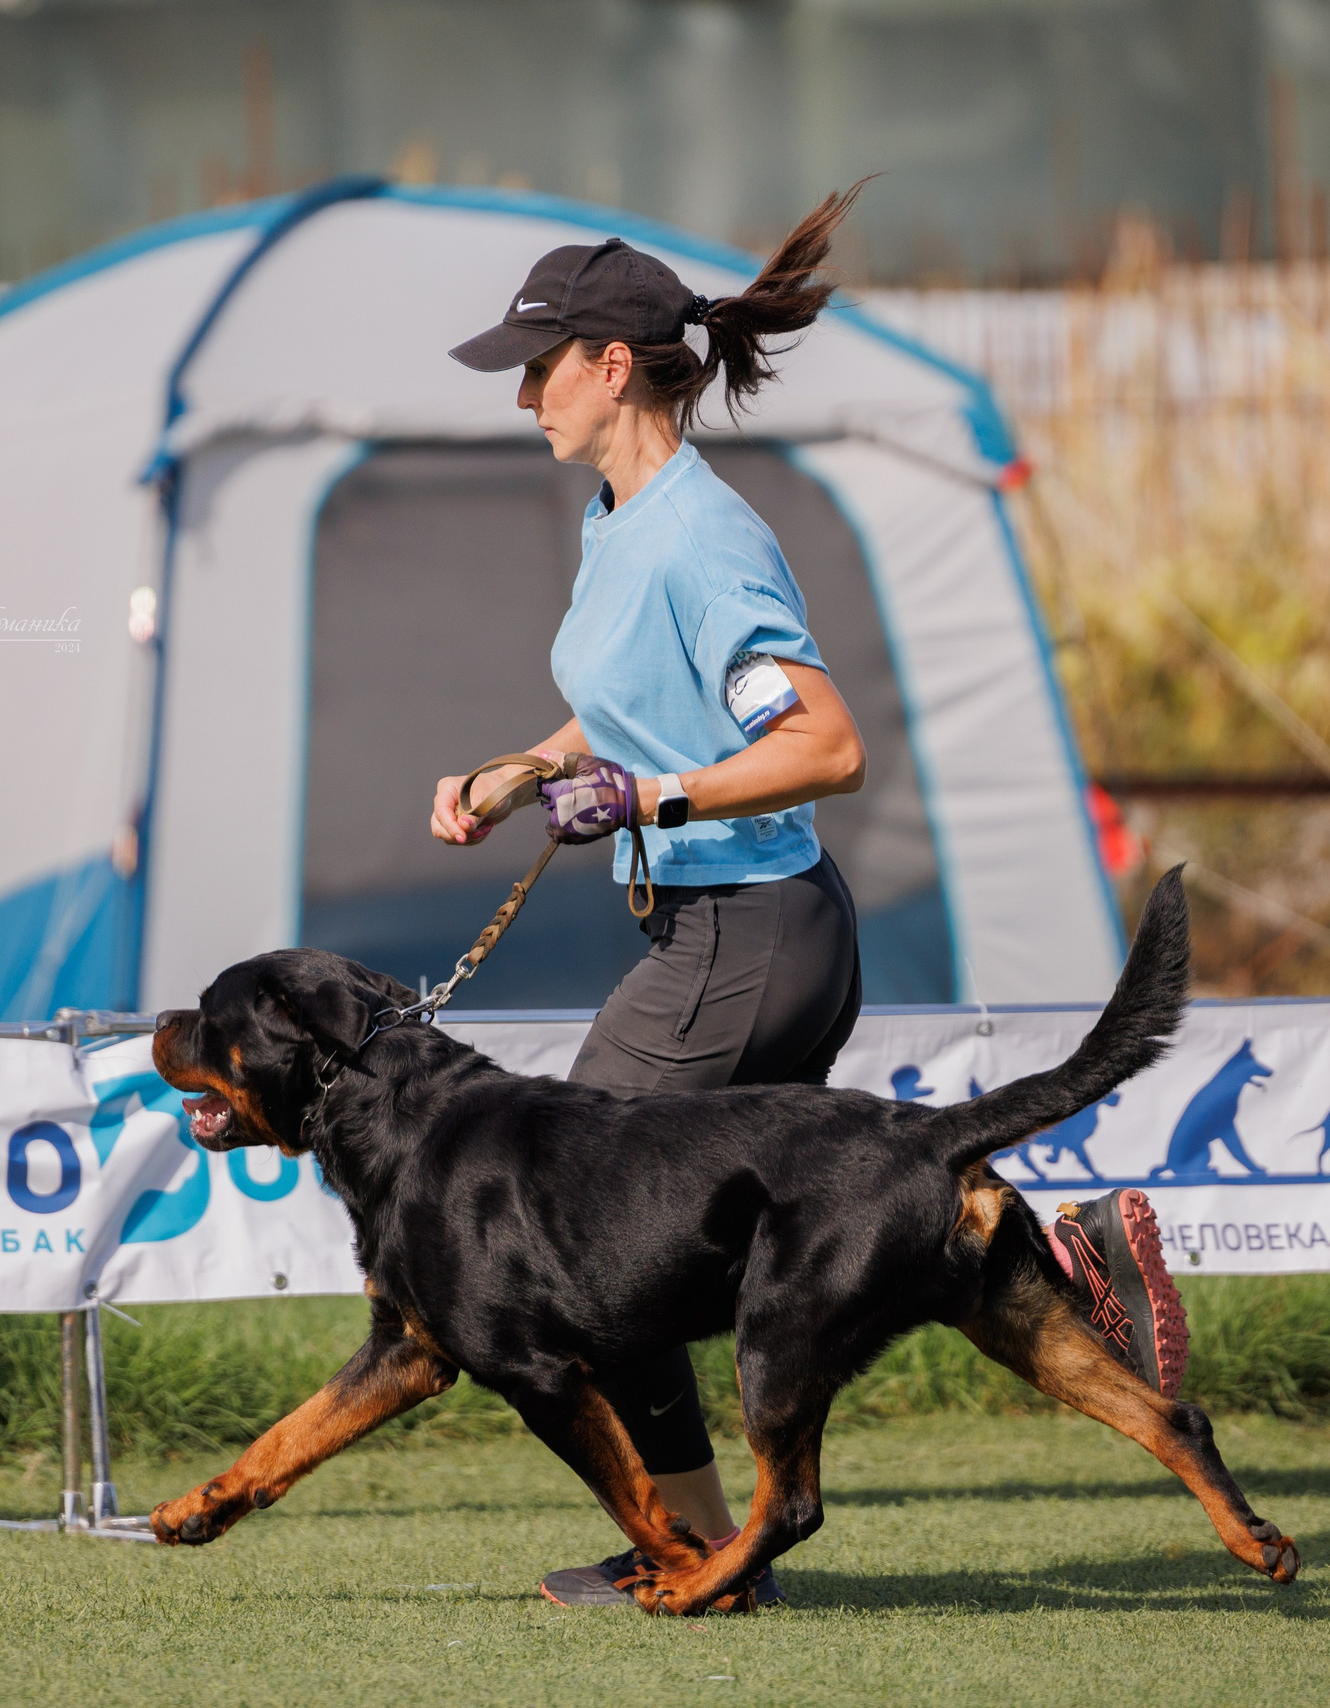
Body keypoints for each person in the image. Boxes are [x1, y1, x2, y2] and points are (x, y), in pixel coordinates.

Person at [431, 187, 872, 1609]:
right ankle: (1052, 1250)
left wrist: (652, 801)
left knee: (571, 1229)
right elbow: (628, 712)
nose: (521, 398)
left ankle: (692, 1555)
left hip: (749, 934)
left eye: (535, 369)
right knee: (669, 1256)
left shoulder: (703, 538)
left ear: (612, 364)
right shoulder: (615, 516)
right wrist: (522, 768)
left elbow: (824, 744)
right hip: (728, 931)